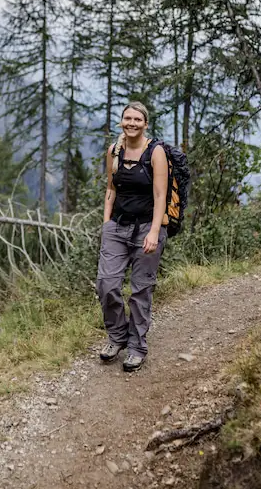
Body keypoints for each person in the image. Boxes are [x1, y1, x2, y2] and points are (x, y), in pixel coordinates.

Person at [96, 101, 168, 372]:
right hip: (117, 227)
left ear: (145, 124)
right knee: (106, 284)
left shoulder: (155, 152)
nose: (132, 123)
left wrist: (154, 231)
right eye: (128, 118)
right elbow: (110, 190)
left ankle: (136, 347)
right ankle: (116, 336)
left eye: (138, 119)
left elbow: (160, 195)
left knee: (140, 290)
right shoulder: (114, 150)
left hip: (147, 229)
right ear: (121, 121)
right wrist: (106, 225)